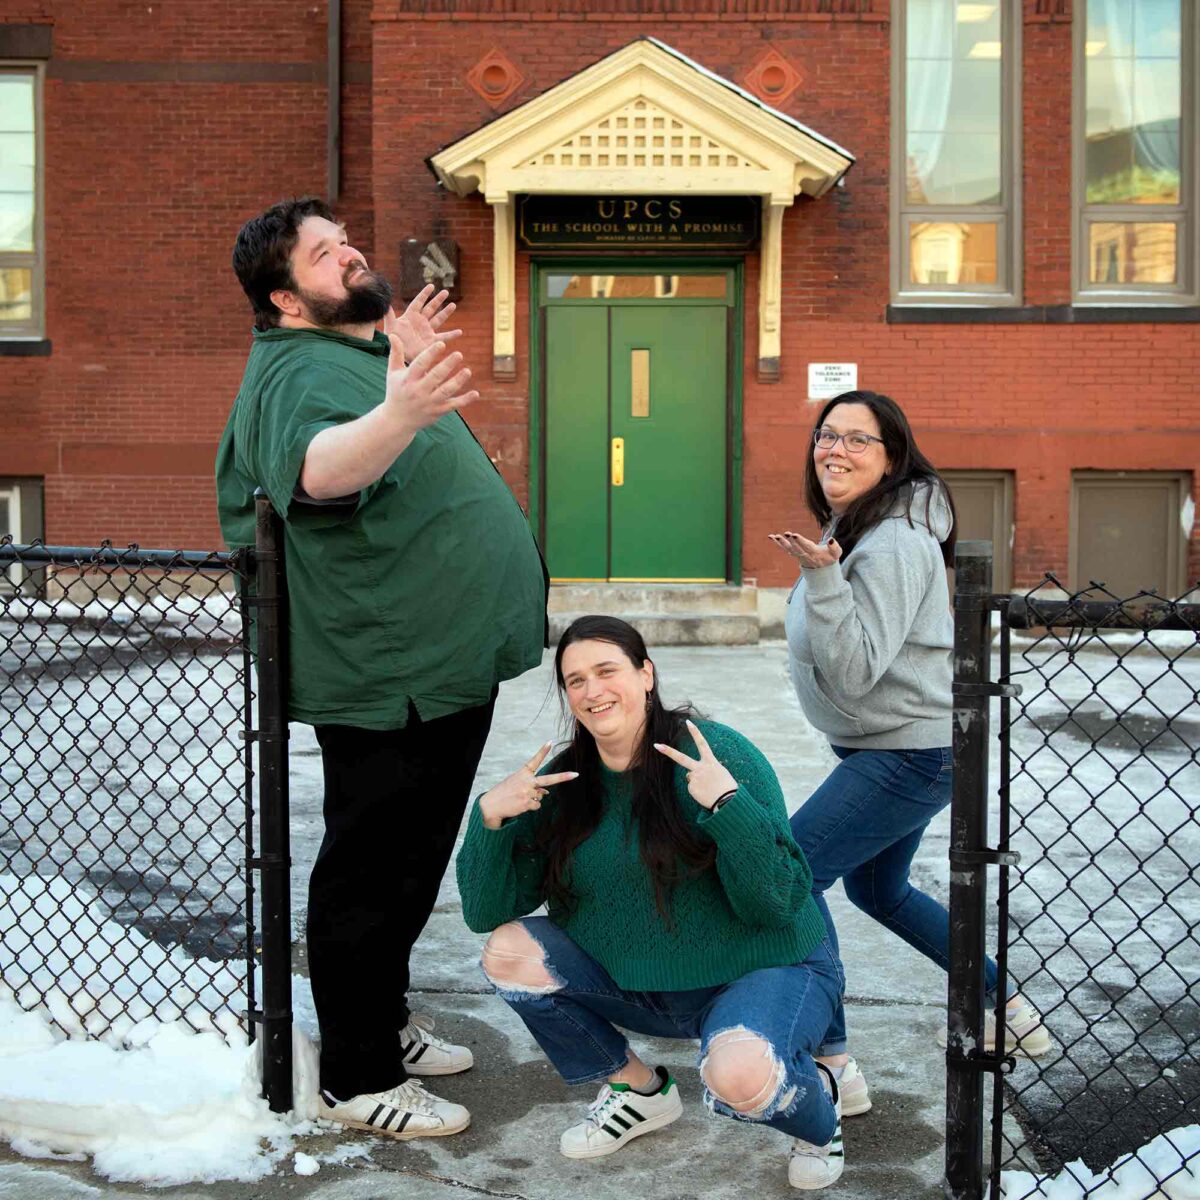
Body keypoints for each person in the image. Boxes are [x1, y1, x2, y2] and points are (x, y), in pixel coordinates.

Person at [215, 196, 547, 1139]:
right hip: (386, 676)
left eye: (348, 242)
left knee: (408, 865)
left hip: (435, 668)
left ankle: (382, 1022)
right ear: (284, 299)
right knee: (372, 871)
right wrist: (399, 406)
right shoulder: (290, 371)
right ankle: (358, 1075)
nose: (351, 255)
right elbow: (317, 470)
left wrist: (391, 366)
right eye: (326, 256)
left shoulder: (346, 356)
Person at [457, 615, 850, 1191]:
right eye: (575, 680)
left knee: (739, 1078)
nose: (592, 691)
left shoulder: (718, 756)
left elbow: (780, 904)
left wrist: (728, 807)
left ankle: (818, 1101)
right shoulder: (562, 780)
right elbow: (485, 913)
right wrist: (490, 819)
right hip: (644, 986)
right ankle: (637, 1091)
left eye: (607, 671)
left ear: (646, 674)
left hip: (762, 969)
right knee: (508, 952)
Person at [768, 389, 1049, 1118]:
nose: (834, 449)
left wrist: (823, 579)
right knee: (876, 890)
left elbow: (856, 666)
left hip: (908, 755)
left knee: (789, 877)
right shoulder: (857, 525)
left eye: (859, 440)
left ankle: (832, 1064)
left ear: (892, 459)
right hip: (892, 748)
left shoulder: (893, 540)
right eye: (827, 435)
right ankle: (1002, 1006)